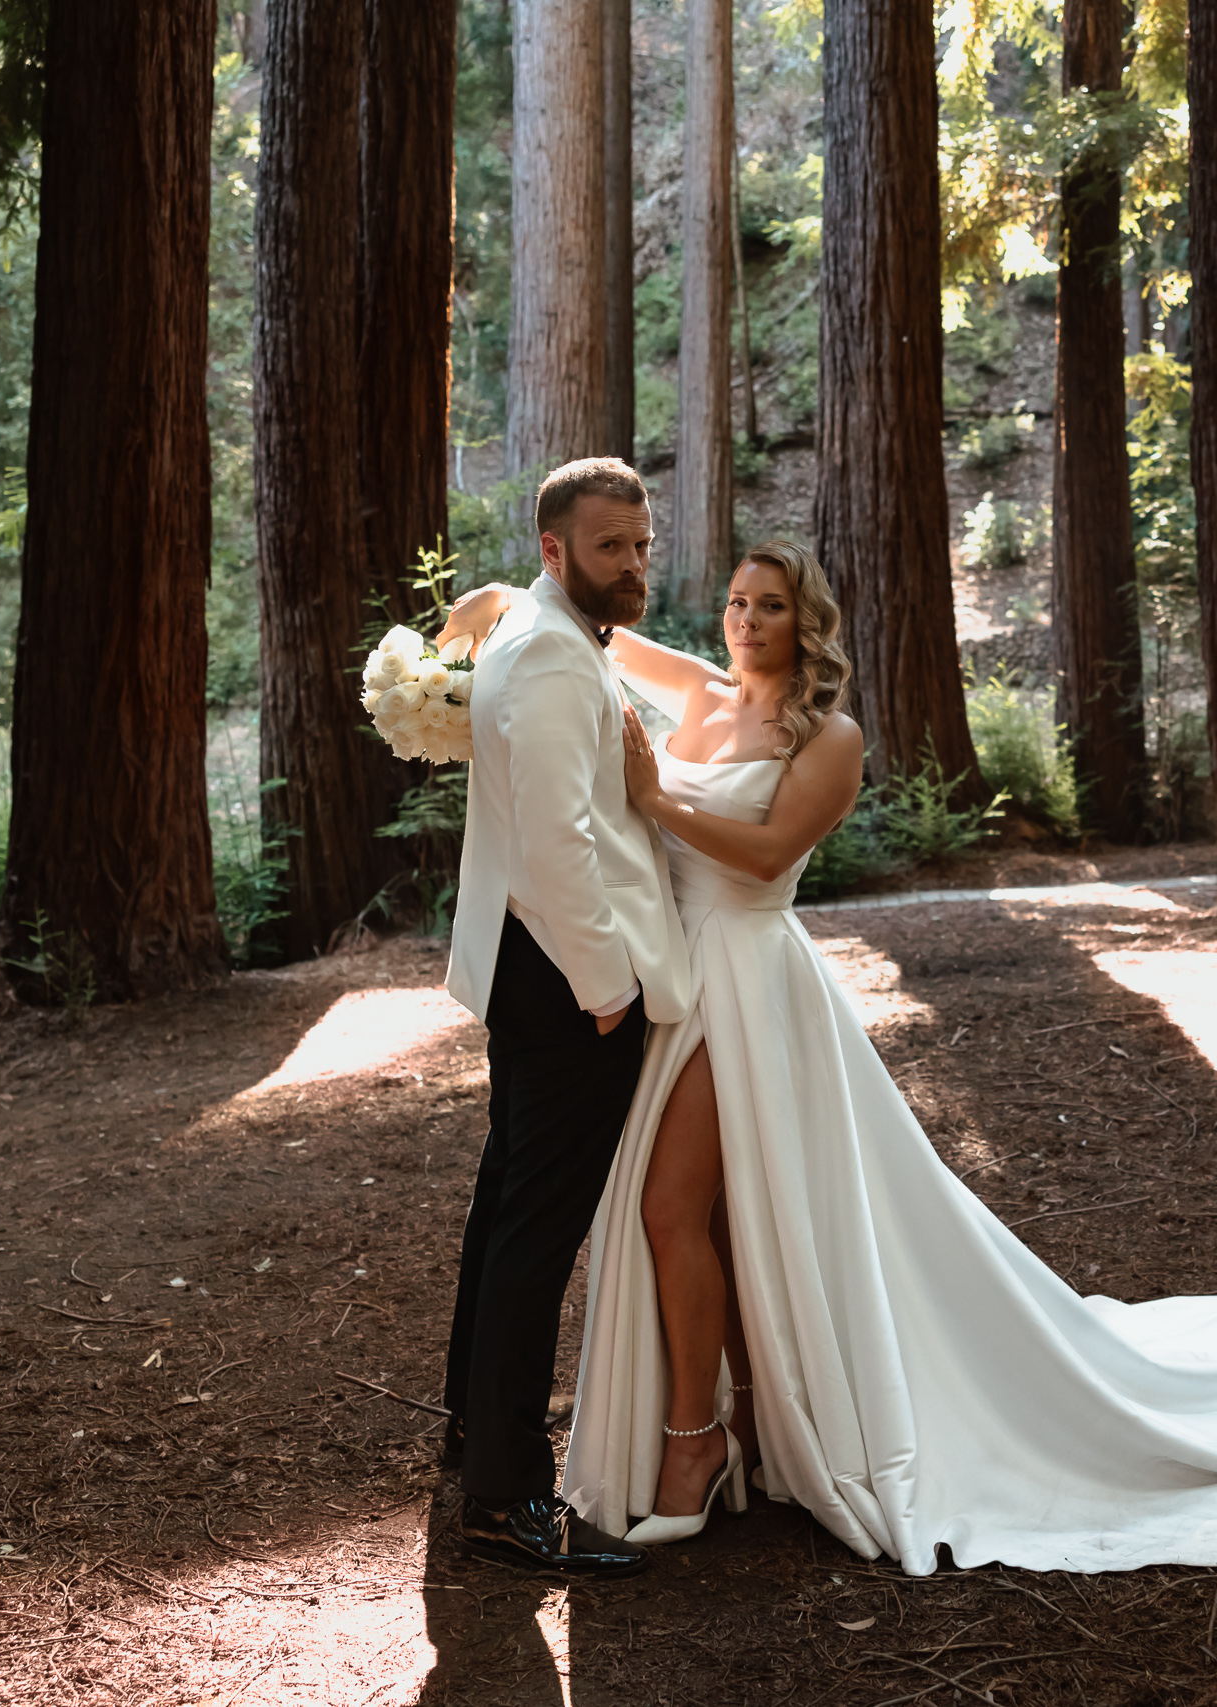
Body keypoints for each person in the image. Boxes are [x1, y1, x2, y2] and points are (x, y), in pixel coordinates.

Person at [441, 543, 1217, 1576]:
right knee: (714, 1216)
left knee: (669, 1210)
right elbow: (601, 644)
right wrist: (506, 594)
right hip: (683, 981)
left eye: (769, 606)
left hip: (750, 985)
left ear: (806, 623)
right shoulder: (709, 693)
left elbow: (766, 856)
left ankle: (695, 1445)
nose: (744, 620)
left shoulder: (831, 738)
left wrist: (653, 793)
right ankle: (749, 1424)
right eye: (734, 601)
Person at [433, 457, 690, 1580]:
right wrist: (608, 991)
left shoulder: (539, 636)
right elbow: (552, 853)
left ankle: (471, 1436)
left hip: (535, 973)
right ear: (553, 551)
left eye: (639, 543)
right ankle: (503, 1499)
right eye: (608, 548)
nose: (633, 563)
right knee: (537, 1231)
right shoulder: (543, 655)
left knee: (507, 1213)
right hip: (563, 981)